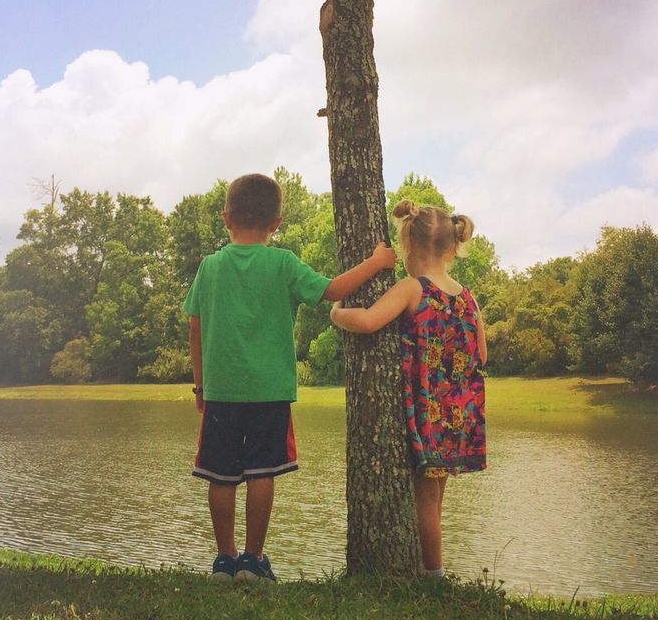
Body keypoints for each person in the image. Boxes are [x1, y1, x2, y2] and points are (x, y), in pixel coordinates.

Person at [185, 172, 395, 584]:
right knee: (262, 471)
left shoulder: (209, 267)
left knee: (220, 474)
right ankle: (253, 560)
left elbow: (194, 326)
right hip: (270, 391)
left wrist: (200, 385)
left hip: (222, 391)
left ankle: (224, 561)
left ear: (226, 217)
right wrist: (376, 262)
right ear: (275, 223)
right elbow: (333, 290)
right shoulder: (283, 263)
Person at [330, 200, 487, 576]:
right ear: (452, 248)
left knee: (424, 495)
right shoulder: (468, 297)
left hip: (427, 408)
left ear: (408, 246)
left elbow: (368, 321)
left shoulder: (412, 288)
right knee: (435, 495)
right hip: (460, 409)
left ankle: (434, 577)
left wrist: (336, 312)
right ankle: (429, 567)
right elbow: (481, 353)